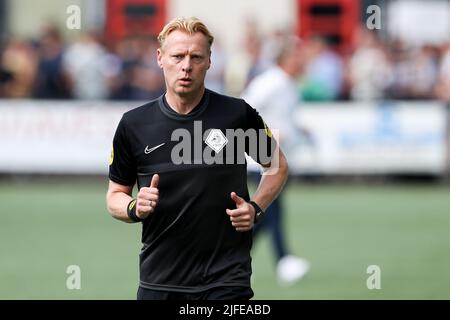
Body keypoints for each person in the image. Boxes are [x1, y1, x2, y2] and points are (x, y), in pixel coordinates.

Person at [106, 17, 289, 300]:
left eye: (196, 57)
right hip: (159, 283)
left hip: (227, 281)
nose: (186, 66)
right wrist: (134, 206)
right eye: (178, 56)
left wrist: (256, 208)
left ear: (209, 61)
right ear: (160, 58)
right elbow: (115, 195)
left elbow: (276, 166)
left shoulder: (236, 115)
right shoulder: (134, 125)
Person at [242, 36, 310, 286]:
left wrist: (299, 129)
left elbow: (282, 117)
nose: (301, 61)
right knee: (272, 210)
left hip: (280, 160)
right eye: (296, 57)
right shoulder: (270, 82)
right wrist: (265, 136)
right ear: (284, 59)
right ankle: (285, 261)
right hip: (263, 159)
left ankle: (231, 256)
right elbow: (246, 108)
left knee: (264, 213)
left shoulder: (289, 84)